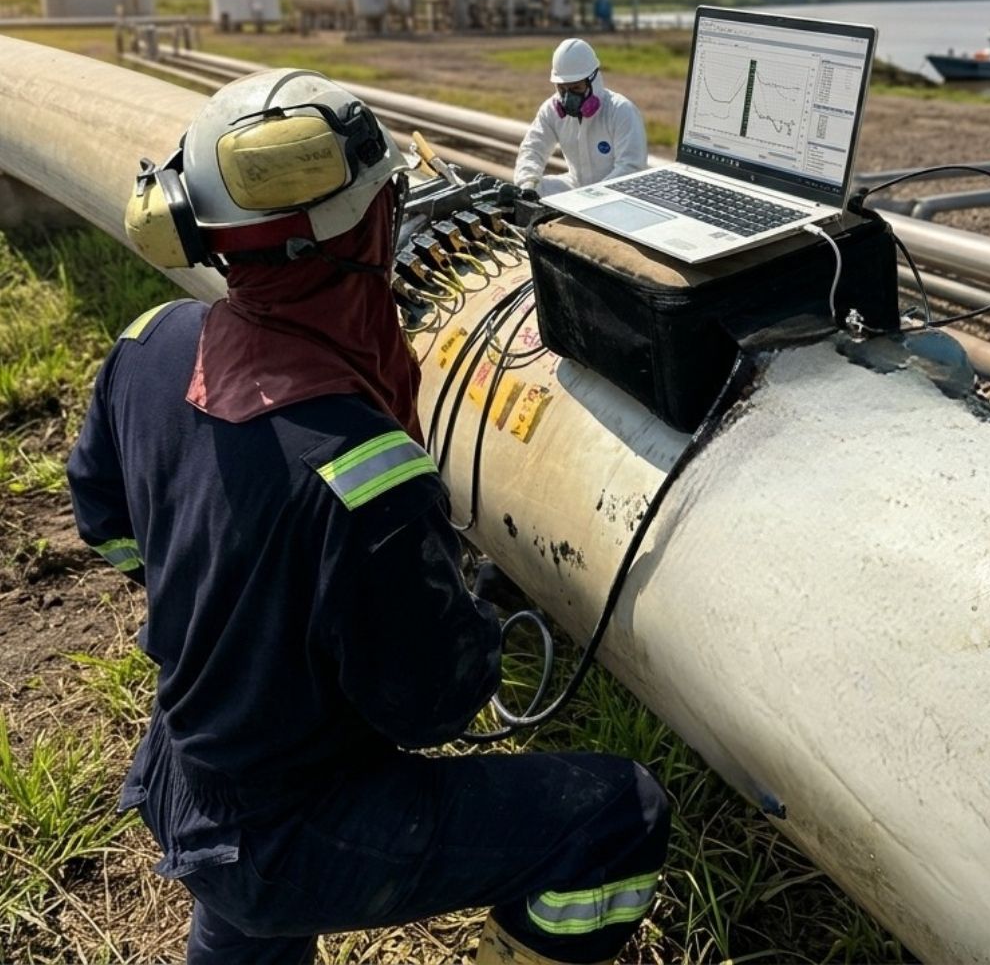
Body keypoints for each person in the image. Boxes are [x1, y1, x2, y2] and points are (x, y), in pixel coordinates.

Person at [67, 68, 670, 965]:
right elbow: (431, 708)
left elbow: (107, 521)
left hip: (185, 773)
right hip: (288, 828)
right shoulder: (363, 475)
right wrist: (467, 617)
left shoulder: (148, 347)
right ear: (375, 228)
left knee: (245, 904)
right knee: (621, 816)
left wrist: (226, 606)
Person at [514, 38, 647, 197]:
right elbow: (533, 149)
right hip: (577, 187)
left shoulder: (620, 111)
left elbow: (631, 168)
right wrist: (528, 185)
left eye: (576, 87)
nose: (568, 97)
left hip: (616, 195)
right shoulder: (551, 110)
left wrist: (592, 197)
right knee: (534, 188)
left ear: (594, 80)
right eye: (562, 88)